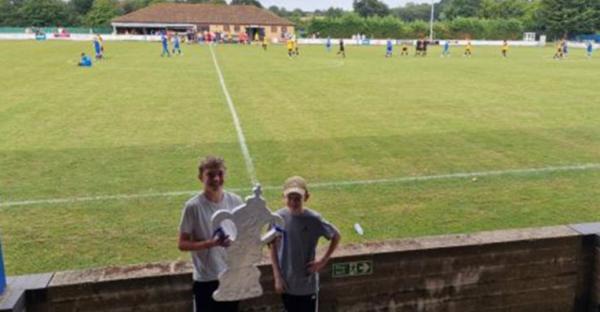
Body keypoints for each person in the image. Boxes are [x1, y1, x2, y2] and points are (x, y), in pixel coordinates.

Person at [178, 156, 243, 312]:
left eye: (220, 174)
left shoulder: (236, 201)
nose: (216, 178)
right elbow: (182, 244)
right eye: (210, 174)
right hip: (206, 279)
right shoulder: (193, 207)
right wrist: (211, 243)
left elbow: (244, 235)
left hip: (231, 275)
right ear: (201, 177)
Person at [269, 176, 341, 312]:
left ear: (306, 197)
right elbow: (272, 247)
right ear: (283, 197)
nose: (293, 202)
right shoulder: (277, 218)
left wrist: (322, 261)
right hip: (287, 284)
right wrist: (277, 277)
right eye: (290, 198)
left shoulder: (313, 219)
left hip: (307, 286)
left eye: (298, 198)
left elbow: (336, 236)